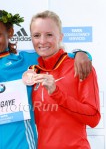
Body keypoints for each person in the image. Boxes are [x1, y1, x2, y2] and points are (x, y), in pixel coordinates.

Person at [0, 9, 92, 149]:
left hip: (22, 144)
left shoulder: (28, 61)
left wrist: (81, 53)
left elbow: (62, 57)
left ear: (10, 33)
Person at [30, 10, 100, 148]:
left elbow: (93, 118)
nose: (42, 41)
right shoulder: (32, 72)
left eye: (49, 35)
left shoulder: (80, 66)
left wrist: (57, 94)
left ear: (60, 37)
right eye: (37, 35)